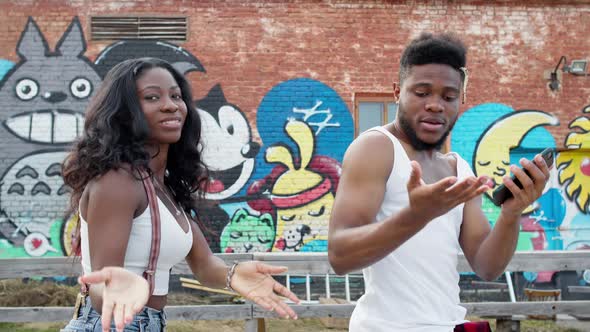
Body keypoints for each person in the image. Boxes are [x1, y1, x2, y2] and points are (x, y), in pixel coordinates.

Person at [327, 33, 551, 332]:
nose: (435, 105)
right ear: (397, 92)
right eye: (421, 92)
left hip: (451, 325)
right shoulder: (376, 148)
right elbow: (340, 257)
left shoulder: (458, 168)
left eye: (448, 96)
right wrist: (416, 216)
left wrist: (512, 214)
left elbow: (488, 266)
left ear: (460, 100)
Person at [61, 58, 300, 332]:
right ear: (125, 113)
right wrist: (116, 289)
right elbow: (103, 287)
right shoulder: (118, 182)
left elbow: (204, 264)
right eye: (152, 97)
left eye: (176, 96)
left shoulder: (164, 188)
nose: (170, 104)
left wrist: (234, 275)